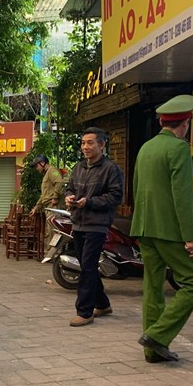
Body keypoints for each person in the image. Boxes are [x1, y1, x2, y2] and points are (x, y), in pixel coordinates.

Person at [130, 95, 193, 363]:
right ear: (185, 123)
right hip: (170, 230)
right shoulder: (179, 149)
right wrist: (191, 238)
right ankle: (158, 336)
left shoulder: (146, 148)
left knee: (153, 287)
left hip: (144, 227)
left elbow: (136, 188)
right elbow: (182, 197)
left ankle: (152, 352)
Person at [64, 127, 123, 327]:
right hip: (78, 222)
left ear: (102, 145)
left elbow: (115, 196)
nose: (85, 147)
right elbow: (70, 187)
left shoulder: (110, 169)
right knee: (86, 266)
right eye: (83, 143)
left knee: (88, 267)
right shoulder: (79, 167)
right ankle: (103, 304)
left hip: (97, 224)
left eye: (90, 143)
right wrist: (69, 196)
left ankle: (85, 311)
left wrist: (89, 202)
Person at [28, 154, 66, 259]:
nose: (37, 168)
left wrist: (55, 197)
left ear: (42, 163)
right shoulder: (46, 174)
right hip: (48, 206)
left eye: (37, 166)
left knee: (53, 231)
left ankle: (54, 256)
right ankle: (49, 254)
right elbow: (44, 195)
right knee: (49, 231)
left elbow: (60, 182)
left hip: (54, 206)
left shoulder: (52, 171)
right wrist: (36, 208)